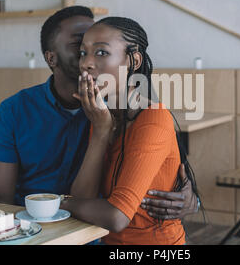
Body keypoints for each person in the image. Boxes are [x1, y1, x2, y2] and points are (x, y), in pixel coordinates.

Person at [0, 6, 199, 222]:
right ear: (51, 58)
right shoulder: (15, 110)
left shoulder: (120, 107)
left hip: (96, 231)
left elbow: (166, 168)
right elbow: (0, 195)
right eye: (81, 48)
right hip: (33, 224)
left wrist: (190, 198)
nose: (88, 61)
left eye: (101, 50)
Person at [60, 16, 201, 245]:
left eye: (101, 52)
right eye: (83, 53)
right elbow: (83, 199)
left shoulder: (153, 120)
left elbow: (116, 217)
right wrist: (101, 131)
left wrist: (60, 204)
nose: (85, 63)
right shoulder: (102, 116)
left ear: (133, 61)